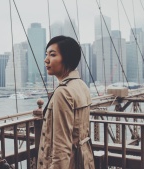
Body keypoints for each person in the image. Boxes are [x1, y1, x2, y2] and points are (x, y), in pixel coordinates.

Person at [37, 36, 95, 169]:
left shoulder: (62, 93)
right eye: (46, 55)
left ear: (66, 58)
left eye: (52, 55)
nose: (46, 60)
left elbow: (61, 147)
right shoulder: (81, 85)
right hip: (84, 160)